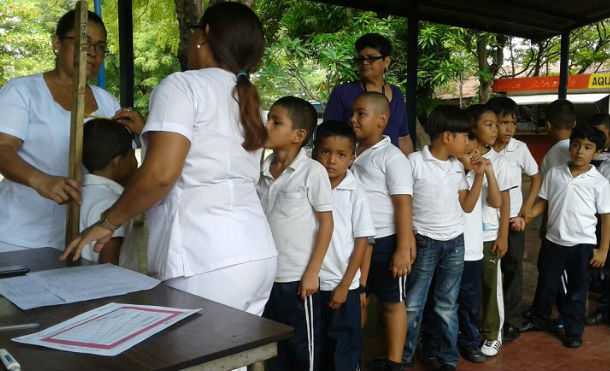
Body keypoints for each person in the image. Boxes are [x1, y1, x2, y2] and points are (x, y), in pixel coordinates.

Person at [63, 3, 278, 317]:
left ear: (203, 36)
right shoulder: (245, 98)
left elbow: (160, 175)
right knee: (231, 362)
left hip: (204, 259)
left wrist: (108, 222)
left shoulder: (182, 85)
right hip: (255, 254)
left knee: (199, 363)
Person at [0, 9, 128, 252]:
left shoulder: (108, 102)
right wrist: (41, 181)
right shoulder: (23, 91)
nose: (92, 52)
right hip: (18, 238)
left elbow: (120, 165)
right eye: (84, 42)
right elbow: (3, 148)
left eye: (100, 47)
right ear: (56, 43)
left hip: (82, 240)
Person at [403, 105, 486, 371]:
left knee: (447, 305)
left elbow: (468, 206)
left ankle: (448, 359)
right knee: (414, 305)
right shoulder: (414, 162)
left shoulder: (456, 167)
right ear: (448, 137)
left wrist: (479, 175)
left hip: (454, 243)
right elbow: (404, 205)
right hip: (424, 241)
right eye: (465, 136)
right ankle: (403, 357)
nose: (468, 143)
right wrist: (409, 240)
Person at [258, 96, 334, 371]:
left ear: (298, 135)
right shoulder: (261, 169)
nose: (267, 125)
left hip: (298, 279)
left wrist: (312, 272)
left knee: (304, 349)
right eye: (268, 119)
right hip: (266, 278)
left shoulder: (312, 171)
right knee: (272, 347)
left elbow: (327, 223)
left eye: (276, 122)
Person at [521, 125, 610, 348]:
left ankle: (573, 331)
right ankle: (539, 319)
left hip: (582, 244)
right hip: (554, 241)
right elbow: (545, 202)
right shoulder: (555, 173)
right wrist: (529, 214)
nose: (580, 151)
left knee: (578, 290)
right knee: (546, 283)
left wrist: (603, 249)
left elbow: (606, 217)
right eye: (576, 145)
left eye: (588, 147)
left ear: (597, 153)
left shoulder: (599, 183)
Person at [350, 92, 413, 371]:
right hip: (356, 243)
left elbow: (403, 203)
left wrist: (402, 248)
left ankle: (394, 362)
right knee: (358, 300)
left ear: (382, 120)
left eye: (361, 114)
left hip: (386, 242)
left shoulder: (392, 157)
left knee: (392, 302)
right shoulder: (349, 151)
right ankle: (353, 360)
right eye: (353, 113)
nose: (353, 119)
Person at [312, 120, 375, 371]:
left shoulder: (355, 191)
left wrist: (348, 285)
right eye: (325, 152)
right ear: (315, 151)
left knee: (344, 349)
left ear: (352, 158)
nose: (331, 161)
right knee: (317, 347)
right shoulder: (310, 184)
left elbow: (363, 242)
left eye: (340, 155)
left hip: (342, 285)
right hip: (312, 283)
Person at [488, 97, 542, 343]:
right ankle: (488, 319)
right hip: (488, 220)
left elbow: (536, 177)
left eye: (513, 123)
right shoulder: (482, 148)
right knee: (488, 270)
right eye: (503, 123)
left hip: (513, 222)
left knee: (512, 269)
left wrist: (526, 212)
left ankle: (511, 321)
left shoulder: (519, 148)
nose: (509, 129)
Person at [466, 104, 518, 357]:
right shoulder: (460, 156)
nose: (496, 129)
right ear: (473, 128)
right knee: (466, 286)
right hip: (463, 233)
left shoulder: (502, 163)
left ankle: (492, 333)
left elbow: (504, 202)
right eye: (489, 124)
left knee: (490, 284)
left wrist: (503, 235)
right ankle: (467, 330)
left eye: (496, 124)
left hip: (488, 234)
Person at [324, 33, 414, 155]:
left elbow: (403, 137)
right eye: (361, 59)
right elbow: (329, 136)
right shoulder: (343, 92)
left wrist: (407, 168)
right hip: (354, 168)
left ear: (386, 62)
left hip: (390, 168)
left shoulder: (396, 93)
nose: (365, 63)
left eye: (371, 58)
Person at [456, 135, 501, 363]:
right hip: (451, 248)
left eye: (476, 151)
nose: (474, 156)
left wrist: (487, 173)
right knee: (446, 298)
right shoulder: (453, 174)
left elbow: (496, 201)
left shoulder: (479, 175)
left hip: (473, 247)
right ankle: (446, 339)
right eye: (467, 152)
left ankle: (470, 340)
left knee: (470, 299)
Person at [78, 118, 139, 270]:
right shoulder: (112, 204)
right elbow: (109, 271)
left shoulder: (82, 194)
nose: (135, 163)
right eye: (131, 156)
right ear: (117, 162)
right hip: (118, 291)